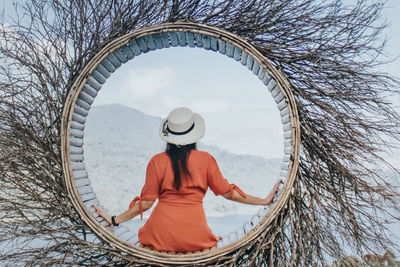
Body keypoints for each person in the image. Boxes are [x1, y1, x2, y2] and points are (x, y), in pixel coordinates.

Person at [93, 107, 282, 252]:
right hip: (196, 237)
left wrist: (114, 220)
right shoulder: (206, 160)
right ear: (194, 136)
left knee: (147, 234)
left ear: (168, 137)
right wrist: (264, 201)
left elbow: (147, 203)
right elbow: (229, 194)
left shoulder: (157, 162)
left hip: (159, 236)